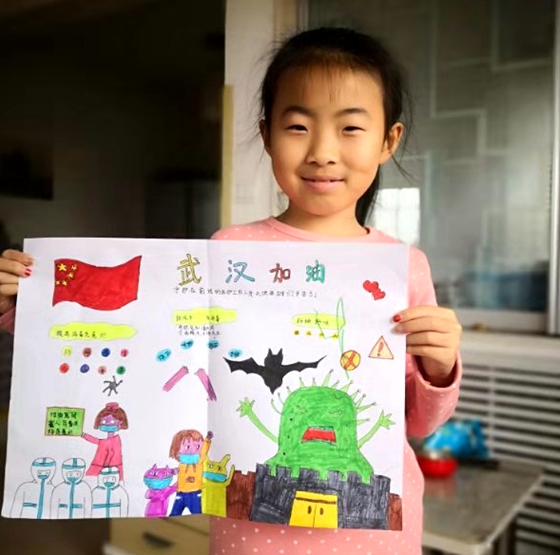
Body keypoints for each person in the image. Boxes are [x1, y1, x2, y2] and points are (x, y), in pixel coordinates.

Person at [0, 26, 462, 554]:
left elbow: (420, 422)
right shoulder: (230, 248)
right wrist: (27, 310)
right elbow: (149, 339)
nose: (322, 152)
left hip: (375, 540)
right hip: (252, 535)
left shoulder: (405, 267)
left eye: (350, 128)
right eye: (298, 126)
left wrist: (439, 367)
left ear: (388, 140)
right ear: (267, 135)